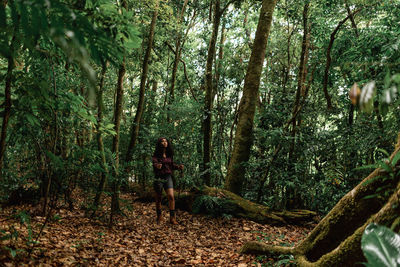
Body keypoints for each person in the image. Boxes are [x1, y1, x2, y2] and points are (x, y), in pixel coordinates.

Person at [152, 137, 183, 224]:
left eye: (166, 141)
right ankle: (159, 216)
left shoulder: (169, 154)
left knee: (171, 196)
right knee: (158, 198)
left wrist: (178, 167)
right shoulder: (156, 155)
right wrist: (157, 166)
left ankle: (172, 218)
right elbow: (154, 163)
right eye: (162, 141)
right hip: (158, 177)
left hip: (168, 177)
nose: (164, 142)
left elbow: (171, 165)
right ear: (159, 143)